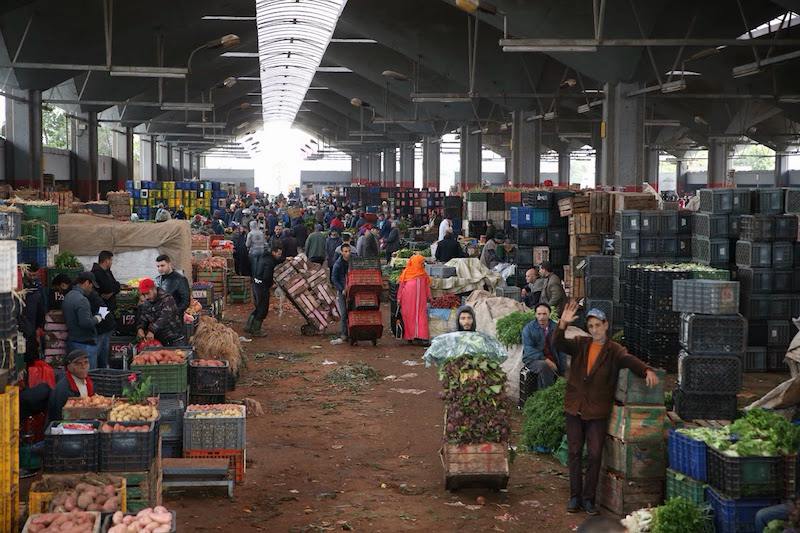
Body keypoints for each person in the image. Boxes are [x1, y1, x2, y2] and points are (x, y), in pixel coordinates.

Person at [555, 302, 659, 515]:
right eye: (591, 326)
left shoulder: (614, 350)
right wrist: (563, 324)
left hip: (597, 411)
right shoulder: (580, 343)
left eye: (598, 325)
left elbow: (629, 361)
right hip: (575, 407)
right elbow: (558, 343)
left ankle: (589, 499)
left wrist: (646, 370)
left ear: (606, 325)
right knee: (575, 452)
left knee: (594, 454)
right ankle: (574, 497)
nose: (594, 330)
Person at [522, 303, 566, 390]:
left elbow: (561, 348)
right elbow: (529, 349)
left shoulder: (555, 327)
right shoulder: (528, 328)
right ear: (535, 315)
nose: (541, 317)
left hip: (552, 356)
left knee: (566, 365)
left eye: (544, 314)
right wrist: (546, 360)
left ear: (549, 314)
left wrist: (563, 370)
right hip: (533, 359)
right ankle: (547, 392)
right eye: (539, 314)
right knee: (545, 366)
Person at [62, 272, 102, 368]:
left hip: (72, 342)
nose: (91, 289)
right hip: (84, 344)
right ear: (87, 283)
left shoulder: (68, 296)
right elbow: (85, 323)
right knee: (89, 375)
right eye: (92, 286)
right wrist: (97, 318)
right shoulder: (82, 300)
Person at [91, 251, 121, 369]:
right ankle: (98, 368)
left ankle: (103, 367)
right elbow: (109, 286)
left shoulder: (107, 272)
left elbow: (115, 285)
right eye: (111, 260)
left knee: (105, 341)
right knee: (101, 341)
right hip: (102, 311)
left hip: (108, 310)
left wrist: (112, 291)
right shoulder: (98, 273)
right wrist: (113, 288)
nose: (112, 263)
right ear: (106, 260)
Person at [246, 244, 284, 336]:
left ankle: (249, 326)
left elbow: (276, 261)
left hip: (256, 284)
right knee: (263, 309)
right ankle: (256, 330)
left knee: (258, 307)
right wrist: (272, 284)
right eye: (278, 254)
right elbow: (267, 276)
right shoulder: (269, 262)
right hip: (262, 287)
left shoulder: (264, 257)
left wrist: (285, 259)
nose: (279, 255)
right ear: (273, 252)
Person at [47, 349, 94, 422]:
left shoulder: (89, 382)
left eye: (86, 362)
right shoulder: (63, 389)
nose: (84, 366)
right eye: (78, 363)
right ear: (69, 367)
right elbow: (58, 416)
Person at [137, 278, 186, 347]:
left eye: (148, 293)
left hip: (174, 340)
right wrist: (140, 328)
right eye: (144, 294)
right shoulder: (146, 303)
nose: (146, 297)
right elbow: (144, 317)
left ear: (154, 289)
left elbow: (165, 317)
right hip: (159, 341)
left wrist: (152, 330)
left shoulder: (167, 299)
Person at [397, 255, 432, 343]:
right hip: (414, 300)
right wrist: (430, 297)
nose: (423, 264)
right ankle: (415, 336)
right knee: (415, 316)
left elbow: (401, 287)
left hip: (414, 299)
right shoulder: (420, 274)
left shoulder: (414, 273)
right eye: (421, 262)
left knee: (415, 316)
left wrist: (399, 299)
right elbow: (427, 288)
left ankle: (416, 336)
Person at [330, 243, 351, 345]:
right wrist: (341, 289)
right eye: (345, 251)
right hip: (342, 291)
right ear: (342, 252)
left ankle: (353, 333)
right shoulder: (338, 264)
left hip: (352, 291)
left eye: (349, 251)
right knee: (343, 313)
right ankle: (344, 334)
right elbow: (334, 278)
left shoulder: (353, 261)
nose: (347, 253)